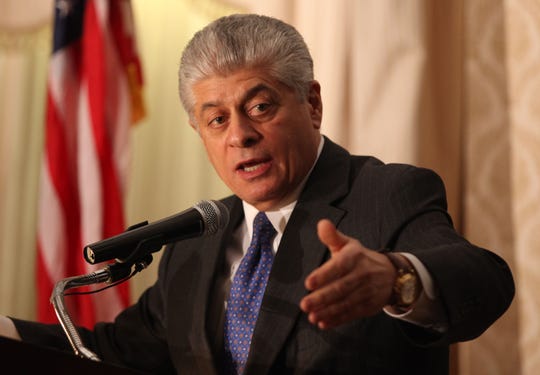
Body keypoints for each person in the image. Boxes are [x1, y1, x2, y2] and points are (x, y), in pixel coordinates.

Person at [0, 13, 514, 375]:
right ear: (199, 132)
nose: (239, 135)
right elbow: (117, 349)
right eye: (216, 119)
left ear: (311, 104)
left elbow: (484, 280)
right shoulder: (194, 239)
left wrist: (396, 278)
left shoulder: (387, 193)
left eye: (261, 107)